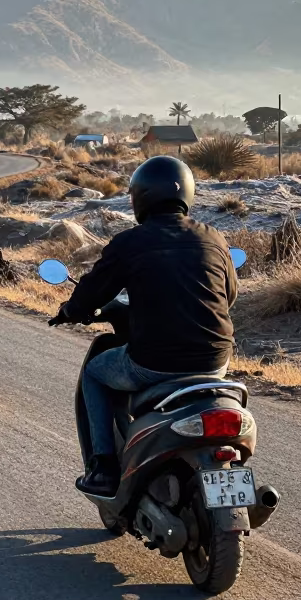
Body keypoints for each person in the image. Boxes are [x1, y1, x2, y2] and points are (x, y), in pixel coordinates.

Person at [53, 155, 238, 497]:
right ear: (188, 194)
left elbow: (91, 293)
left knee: (95, 373)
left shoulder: (130, 243)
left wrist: (70, 310)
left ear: (140, 197)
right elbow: (229, 295)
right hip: (215, 361)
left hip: (153, 363)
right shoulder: (214, 238)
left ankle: (104, 466)